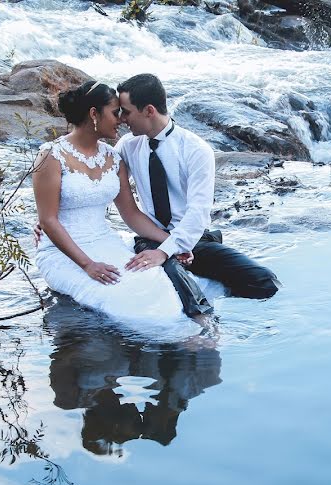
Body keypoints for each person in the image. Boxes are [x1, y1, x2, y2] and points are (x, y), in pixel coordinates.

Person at [32, 80, 210, 333]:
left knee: (154, 282)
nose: (122, 120)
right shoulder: (50, 155)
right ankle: (171, 340)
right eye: (116, 113)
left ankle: (186, 339)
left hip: (105, 241)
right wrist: (87, 265)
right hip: (64, 252)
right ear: (94, 114)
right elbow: (48, 220)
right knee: (121, 299)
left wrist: (172, 244)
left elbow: (131, 214)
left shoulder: (114, 156)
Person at [115, 73, 281, 316]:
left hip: (194, 239)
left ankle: (235, 314)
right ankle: (202, 328)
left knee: (265, 281)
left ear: (149, 110)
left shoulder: (195, 149)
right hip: (150, 237)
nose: (122, 119)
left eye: (126, 112)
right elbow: (106, 188)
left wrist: (171, 248)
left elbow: (198, 213)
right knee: (178, 279)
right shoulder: (127, 146)